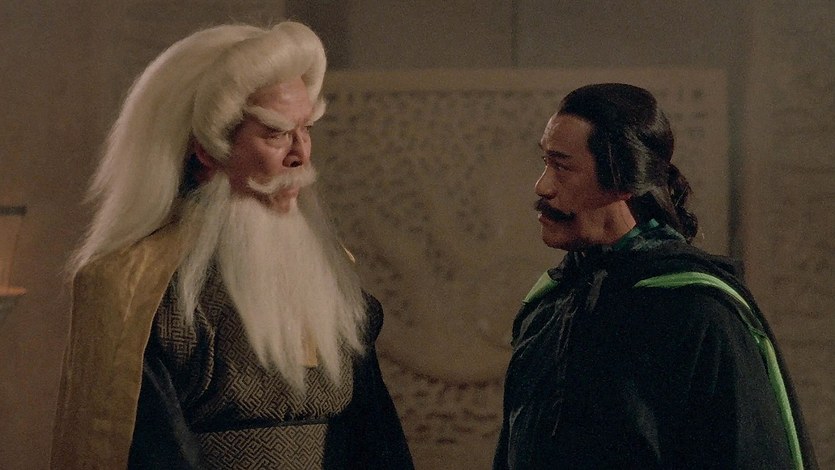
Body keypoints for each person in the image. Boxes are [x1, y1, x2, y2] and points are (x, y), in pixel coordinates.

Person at [51, 21, 413, 469]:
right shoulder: (136, 289)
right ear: (207, 149)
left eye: (306, 129)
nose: (301, 154)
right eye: (276, 133)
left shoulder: (330, 275)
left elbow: (376, 443)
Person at [493, 83, 818, 469]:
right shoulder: (548, 305)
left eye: (562, 166)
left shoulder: (698, 315)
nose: (542, 186)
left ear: (624, 180)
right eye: (545, 162)